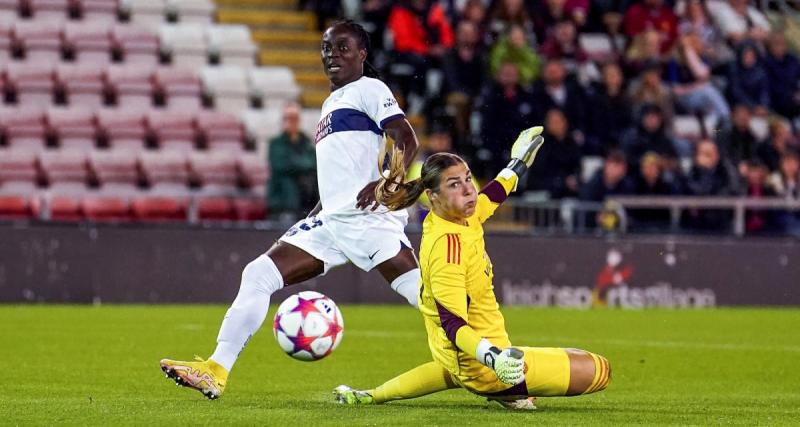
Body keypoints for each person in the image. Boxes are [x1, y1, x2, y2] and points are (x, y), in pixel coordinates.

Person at [159, 20, 423, 400]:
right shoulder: (331, 103)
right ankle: (216, 369)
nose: (333, 55)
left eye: (343, 47)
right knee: (259, 273)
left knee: (427, 299)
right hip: (331, 222)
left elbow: (405, 138)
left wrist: (385, 184)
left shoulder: (370, 88)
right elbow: (339, 173)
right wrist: (316, 212)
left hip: (368, 221)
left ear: (363, 54)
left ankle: (495, 366)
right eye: (327, 48)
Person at [332, 126, 611, 409]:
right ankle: (503, 390)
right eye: (455, 184)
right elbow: (453, 325)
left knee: (453, 368)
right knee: (599, 370)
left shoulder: (458, 214)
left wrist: (517, 163)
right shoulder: (447, 250)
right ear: (433, 196)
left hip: (458, 359)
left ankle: (374, 394)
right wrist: (495, 358)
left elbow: (493, 194)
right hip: (483, 365)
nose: (469, 190)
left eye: (468, 179)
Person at [267, 102, 317, 221]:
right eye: (288, 118)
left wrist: (296, 164)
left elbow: (314, 164)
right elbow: (281, 165)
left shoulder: (307, 142)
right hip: (285, 203)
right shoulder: (276, 144)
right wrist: (304, 165)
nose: (291, 121)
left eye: (294, 118)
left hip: (308, 201)